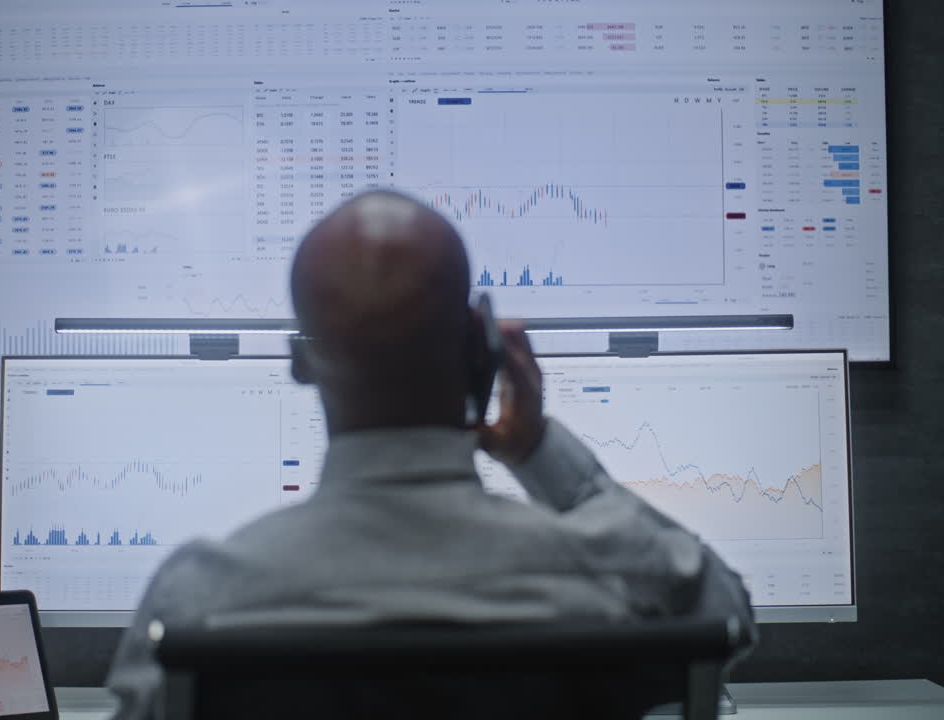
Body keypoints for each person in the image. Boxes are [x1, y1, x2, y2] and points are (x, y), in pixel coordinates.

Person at [105, 190, 755, 718]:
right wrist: (537, 451)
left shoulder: (198, 600)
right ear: (484, 351)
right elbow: (725, 615)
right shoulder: (601, 570)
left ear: (302, 365)